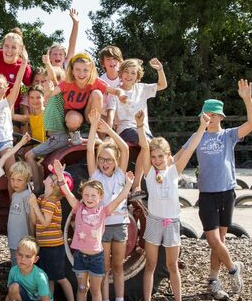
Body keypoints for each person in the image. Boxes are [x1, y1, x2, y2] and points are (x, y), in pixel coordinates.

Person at [180, 80, 252, 301]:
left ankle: (213, 279)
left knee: (220, 240)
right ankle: (234, 269)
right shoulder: (197, 137)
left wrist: (247, 99)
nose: (210, 118)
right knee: (213, 239)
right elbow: (179, 156)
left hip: (227, 191)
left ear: (221, 117)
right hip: (207, 193)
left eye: (214, 115)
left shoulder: (229, 135)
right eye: (206, 115)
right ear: (201, 117)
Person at [136, 111, 209, 301]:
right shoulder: (149, 172)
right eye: (154, 157)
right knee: (150, 265)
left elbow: (191, 147)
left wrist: (202, 127)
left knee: (172, 266)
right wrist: (140, 126)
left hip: (172, 223)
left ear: (168, 156)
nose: (157, 160)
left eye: (161, 156)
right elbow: (143, 146)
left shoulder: (174, 171)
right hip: (154, 222)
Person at [54, 163, 133, 301]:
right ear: (82, 195)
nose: (89, 198)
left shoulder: (103, 211)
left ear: (100, 197)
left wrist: (127, 184)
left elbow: (119, 199)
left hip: (97, 257)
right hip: (81, 257)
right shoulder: (78, 208)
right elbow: (66, 192)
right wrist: (60, 176)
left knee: (96, 290)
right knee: (82, 289)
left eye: (93, 195)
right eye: (86, 194)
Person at [86, 108, 134, 301]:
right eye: (101, 159)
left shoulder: (121, 176)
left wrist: (108, 131)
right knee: (103, 267)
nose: (105, 163)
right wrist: (93, 129)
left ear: (115, 161)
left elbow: (124, 148)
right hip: (102, 227)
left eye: (109, 160)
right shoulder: (95, 175)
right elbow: (89, 149)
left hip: (120, 225)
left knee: (118, 266)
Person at [27, 163, 78, 301]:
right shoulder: (43, 199)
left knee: (61, 278)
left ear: (55, 185)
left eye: (51, 176)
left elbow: (45, 222)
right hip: (44, 245)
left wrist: (35, 206)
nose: (48, 176)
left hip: (53, 247)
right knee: (48, 278)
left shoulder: (51, 202)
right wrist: (33, 206)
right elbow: (36, 223)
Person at [108, 57, 167, 192]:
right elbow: (111, 114)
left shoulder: (141, 88)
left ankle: (160, 183)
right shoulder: (116, 92)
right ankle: (136, 185)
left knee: (160, 149)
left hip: (143, 129)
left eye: (133, 73)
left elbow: (162, 85)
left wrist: (160, 69)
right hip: (126, 129)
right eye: (126, 72)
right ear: (121, 73)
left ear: (138, 76)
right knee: (145, 144)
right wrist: (109, 133)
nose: (129, 75)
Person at [51, 52, 125, 145]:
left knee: (97, 93)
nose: (81, 73)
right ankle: (74, 133)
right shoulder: (67, 82)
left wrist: (121, 95)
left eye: (85, 70)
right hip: (72, 113)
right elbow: (52, 92)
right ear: (72, 71)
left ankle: (95, 132)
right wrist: (48, 91)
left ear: (91, 71)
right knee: (73, 119)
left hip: (89, 112)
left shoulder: (95, 81)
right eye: (77, 70)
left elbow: (115, 91)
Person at [25, 61, 69, 194]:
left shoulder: (58, 96)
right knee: (37, 163)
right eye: (43, 81)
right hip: (53, 137)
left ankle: (37, 189)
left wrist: (47, 63)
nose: (43, 84)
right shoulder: (50, 99)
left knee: (29, 156)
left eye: (46, 81)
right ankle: (41, 187)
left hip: (58, 137)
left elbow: (57, 83)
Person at [0, 237, 52, 301]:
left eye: (28, 256)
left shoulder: (40, 276)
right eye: (20, 255)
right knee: (13, 286)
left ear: (35, 259)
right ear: (16, 254)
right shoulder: (14, 271)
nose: (23, 259)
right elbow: (10, 293)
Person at [7, 161, 35, 264]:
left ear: (27, 180)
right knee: (14, 264)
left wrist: (32, 237)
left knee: (22, 265)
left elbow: (31, 219)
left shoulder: (27, 196)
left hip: (23, 241)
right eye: (12, 179)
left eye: (19, 180)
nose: (15, 183)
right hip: (13, 241)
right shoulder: (15, 195)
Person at [97, 45, 124, 127]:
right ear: (103, 64)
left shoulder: (126, 77)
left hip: (123, 113)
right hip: (106, 114)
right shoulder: (101, 80)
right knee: (100, 120)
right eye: (108, 59)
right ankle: (104, 137)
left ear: (120, 61)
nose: (112, 62)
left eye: (115, 58)